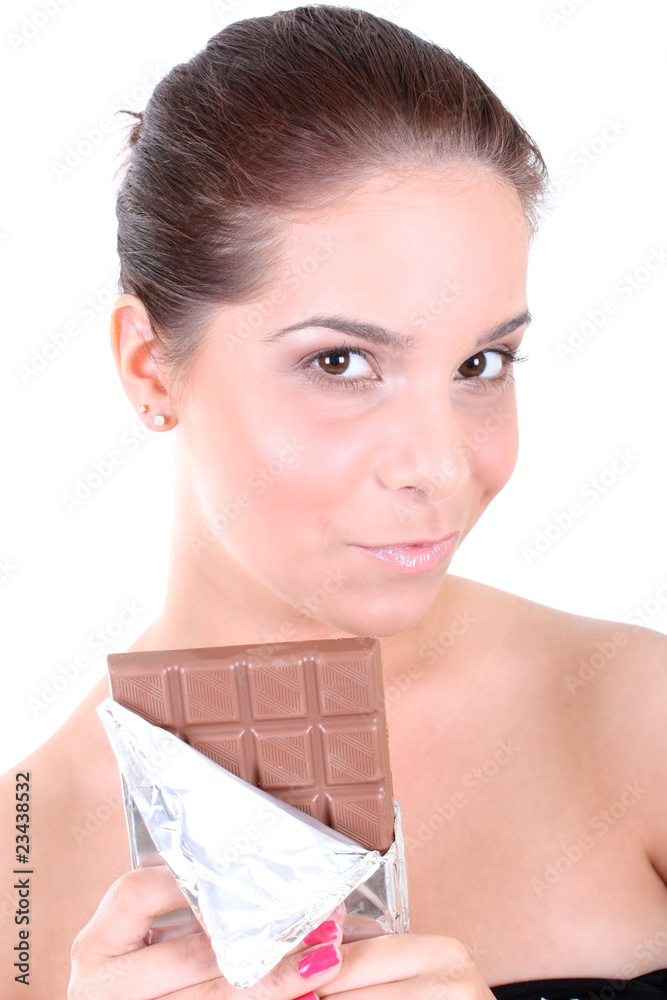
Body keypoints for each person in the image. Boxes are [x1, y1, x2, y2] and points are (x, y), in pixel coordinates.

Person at [2, 5, 666, 998]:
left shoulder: (638, 717)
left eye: (480, 364)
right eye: (341, 362)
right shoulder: (20, 872)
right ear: (149, 365)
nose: (438, 465)